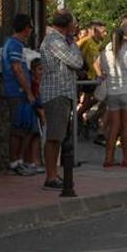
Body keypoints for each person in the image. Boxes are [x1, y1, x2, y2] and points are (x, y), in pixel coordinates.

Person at [39, 10, 83, 191]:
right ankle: (50, 177)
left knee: (59, 136)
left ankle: (53, 173)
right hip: (56, 93)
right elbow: (77, 62)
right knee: (54, 136)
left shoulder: (64, 41)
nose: (76, 26)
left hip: (64, 92)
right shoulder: (55, 41)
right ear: (66, 25)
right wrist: (73, 43)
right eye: (73, 23)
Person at [99, 24, 127, 167]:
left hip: (112, 92)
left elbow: (100, 67)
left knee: (114, 127)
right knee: (126, 127)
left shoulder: (105, 53)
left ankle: (108, 158)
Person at [0, 14, 37, 176]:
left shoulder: (16, 45)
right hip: (17, 91)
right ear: (26, 28)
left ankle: (20, 160)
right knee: (18, 127)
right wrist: (28, 91)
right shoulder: (14, 45)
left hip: (19, 91)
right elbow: (17, 69)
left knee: (25, 126)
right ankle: (14, 162)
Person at [77, 21, 107, 143]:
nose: (105, 34)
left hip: (96, 78)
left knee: (102, 100)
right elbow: (75, 52)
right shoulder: (85, 41)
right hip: (89, 78)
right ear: (94, 31)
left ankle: (88, 119)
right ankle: (79, 118)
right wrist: (80, 70)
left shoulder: (96, 44)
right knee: (98, 99)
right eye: (103, 31)